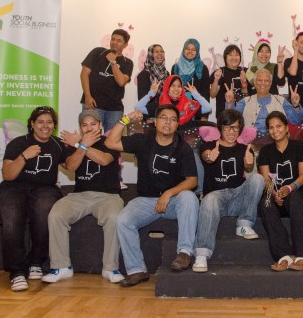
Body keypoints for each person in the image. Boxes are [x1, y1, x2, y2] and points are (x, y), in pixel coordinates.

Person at [105, 105, 199, 286]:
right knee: (123, 220)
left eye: (173, 119)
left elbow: (192, 180)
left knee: (189, 198)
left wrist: (169, 193)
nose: (168, 122)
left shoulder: (183, 147)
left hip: (173, 201)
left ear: (177, 125)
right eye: (163, 117)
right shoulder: (143, 141)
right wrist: (126, 119)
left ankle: (185, 252)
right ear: (155, 122)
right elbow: (110, 143)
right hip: (146, 200)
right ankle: (137, 270)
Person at [0, 106, 74, 291]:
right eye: (40, 122)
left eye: (49, 122)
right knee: (12, 220)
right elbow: (8, 175)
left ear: (54, 125)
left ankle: (36, 261)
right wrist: (23, 156)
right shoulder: (18, 143)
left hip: (44, 188)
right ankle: (16, 271)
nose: (45, 126)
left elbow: (71, 167)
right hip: (13, 188)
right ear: (32, 124)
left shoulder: (58, 144)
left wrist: (79, 145)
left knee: (46, 214)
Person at [42, 110, 124, 284]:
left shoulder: (110, 142)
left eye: (93, 124)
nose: (89, 128)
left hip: (108, 196)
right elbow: (71, 167)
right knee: (56, 215)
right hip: (79, 195)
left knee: (114, 217)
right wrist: (80, 146)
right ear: (80, 128)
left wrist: (80, 143)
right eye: (85, 125)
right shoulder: (72, 146)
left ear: (100, 126)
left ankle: (110, 268)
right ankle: (62, 267)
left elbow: (104, 160)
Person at [192, 109, 265, 272]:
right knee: (209, 199)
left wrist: (249, 163)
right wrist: (210, 157)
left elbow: (248, 168)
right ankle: (202, 254)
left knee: (258, 178)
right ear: (220, 127)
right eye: (227, 127)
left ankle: (244, 224)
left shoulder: (245, 149)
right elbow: (206, 156)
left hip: (237, 197)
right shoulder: (209, 145)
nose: (231, 132)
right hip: (216, 200)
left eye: (235, 128)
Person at [258, 111, 303, 271]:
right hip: (277, 198)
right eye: (271, 127)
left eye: (279, 126)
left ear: (286, 127)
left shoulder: (300, 148)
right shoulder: (265, 151)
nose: (275, 130)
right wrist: (274, 194)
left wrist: (289, 188)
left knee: (294, 196)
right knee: (265, 202)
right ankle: (284, 255)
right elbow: (266, 180)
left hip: (300, 197)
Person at [80, 29, 134, 132]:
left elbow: (121, 82)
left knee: (112, 138)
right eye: (113, 39)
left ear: (125, 45)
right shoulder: (98, 52)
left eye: (119, 40)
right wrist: (87, 96)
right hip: (93, 105)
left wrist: (113, 62)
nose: (114, 42)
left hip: (114, 109)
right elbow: (84, 74)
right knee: (91, 136)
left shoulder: (128, 62)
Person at [227, 69, 303, 135]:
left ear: (270, 83)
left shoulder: (281, 100)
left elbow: (296, 120)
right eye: (260, 80)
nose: (263, 83)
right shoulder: (245, 102)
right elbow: (232, 121)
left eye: (266, 81)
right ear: (254, 82)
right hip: (251, 142)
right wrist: (230, 104)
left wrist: (296, 105)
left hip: (276, 141)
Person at [135, 75, 211, 125]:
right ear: (167, 87)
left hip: (185, 141)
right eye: (173, 86)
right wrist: (151, 93)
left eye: (179, 86)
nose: (176, 89)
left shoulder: (189, 105)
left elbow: (208, 108)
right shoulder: (160, 104)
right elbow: (138, 107)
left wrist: (195, 94)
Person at [171, 38, 210, 119]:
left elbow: (206, 92)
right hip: (179, 111)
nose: (190, 51)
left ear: (197, 51)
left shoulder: (202, 68)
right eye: (187, 48)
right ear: (183, 49)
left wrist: (204, 115)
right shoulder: (175, 68)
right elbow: (172, 90)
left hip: (198, 110)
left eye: (193, 50)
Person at [209, 44, 250, 117]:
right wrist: (216, 80)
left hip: (242, 115)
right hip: (224, 115)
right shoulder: (220, 72)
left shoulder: (245, 71)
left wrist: (244, 81)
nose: (234, 58)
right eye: (230, 55)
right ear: (225, 57)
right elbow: (212, 94)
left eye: (236, 55)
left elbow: (247, 95)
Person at [136, 44, 169, 120]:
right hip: (149, 115)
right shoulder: (143, 74)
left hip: (164, 115)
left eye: (162, 51)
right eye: (156, 52)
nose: (160, 54)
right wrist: (148, 118)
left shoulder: (166, 74)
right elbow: (142, 99)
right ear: (151, 55)